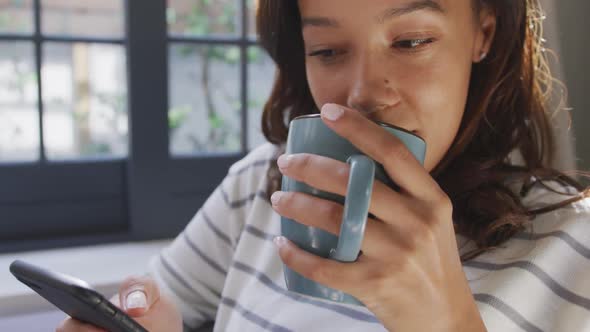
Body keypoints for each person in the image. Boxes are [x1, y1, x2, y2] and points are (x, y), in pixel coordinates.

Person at [58, 0, 590, 331]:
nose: (362, 95)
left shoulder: (573, 248)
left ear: (484, 33)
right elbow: (151, 301)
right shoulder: (261, 187)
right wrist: (137, 313)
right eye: (329, 51)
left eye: (410, 41)